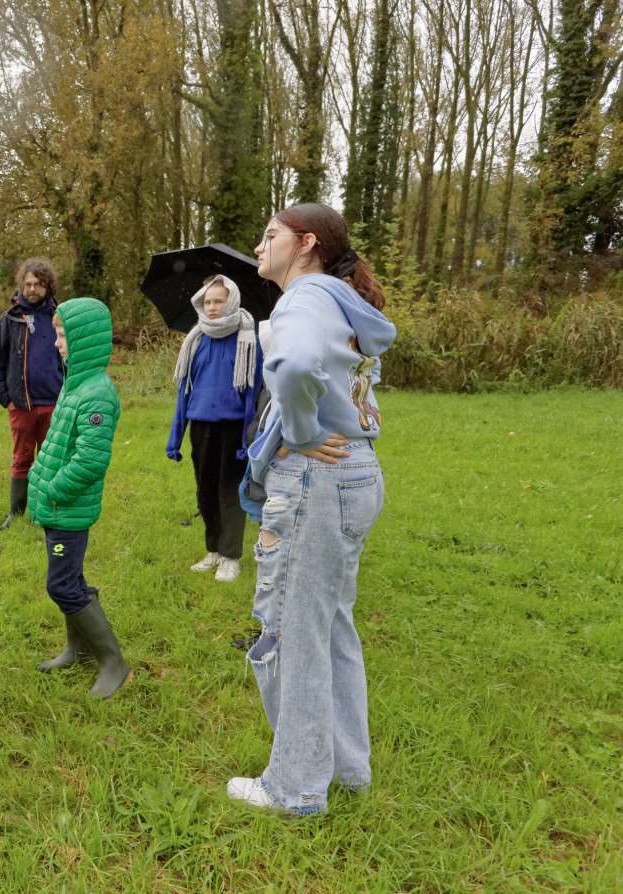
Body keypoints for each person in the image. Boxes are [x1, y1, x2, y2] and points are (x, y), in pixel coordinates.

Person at [227, 203, 397, 816]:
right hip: (355, 471)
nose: (258, 244)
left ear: (306, 243)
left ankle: (294, 787)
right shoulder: (341, 300)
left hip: (315, 480)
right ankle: (347, 770)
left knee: (294, 629)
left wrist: (297, 429)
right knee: (331, 624)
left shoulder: (302, 300)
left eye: (268, 234)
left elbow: (295, 366)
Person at [28, 297, 132, 699]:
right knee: (69, 580)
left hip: (67, 508)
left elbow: (90, 461)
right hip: (57, 508)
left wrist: (53, 491)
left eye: (61, 335)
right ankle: (78, 648)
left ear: (84, 339)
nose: (57, 343)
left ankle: (114, 663)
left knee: (63, 586)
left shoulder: (96, 395)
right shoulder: (76, 387)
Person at [165, 275, 262, 582]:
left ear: (231, 300)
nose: (212, 307)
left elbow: (254, 391)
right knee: (205, 490)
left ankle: (231, 556)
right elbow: (184, 393)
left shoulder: (249, 340)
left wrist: (250, 437)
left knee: (230, 491)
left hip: (234, 430)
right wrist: (175, 437)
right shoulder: (195, 341)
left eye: (218, 301)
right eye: (207, 302)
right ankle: (214, 550)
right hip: (201, 426)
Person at [0, 258, 64, 529]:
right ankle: (16, 513)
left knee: (51, 459)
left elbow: (70, 358)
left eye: (38, 284)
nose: (32, 289)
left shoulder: (60, 316)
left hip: (54, 403)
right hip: (21, 404)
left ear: (47, 286)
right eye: (28, 284)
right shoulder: (10, 318)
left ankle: (47, 511)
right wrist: (5, 398)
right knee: (22, 458)